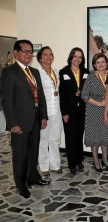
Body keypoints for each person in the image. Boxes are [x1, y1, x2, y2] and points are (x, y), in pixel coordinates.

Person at [0, 39, 50, 199]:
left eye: (30, 52)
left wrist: (43, 116)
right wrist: (12, 124)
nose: (29, 54)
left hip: (35, 118)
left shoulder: (34, 72)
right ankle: (21, 185)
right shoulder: (9, 72)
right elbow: (6, 100)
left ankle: (33, 177)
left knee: (33, 151)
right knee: (20, 154)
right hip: (20, 121)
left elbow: (40, 96)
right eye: (25, 51)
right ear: (16, 53)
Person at [59, 47, 89, 174]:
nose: (77, 59)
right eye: (75, 56)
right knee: (70, 137)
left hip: (82, 109)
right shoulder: (63, 72)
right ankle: (71, 163)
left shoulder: (86, 72)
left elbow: (89, 90)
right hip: (69, 110)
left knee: (79, 135)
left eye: (80, 57)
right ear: (71, 57)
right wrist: (64, 113)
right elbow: (62, 94)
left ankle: (79, 160)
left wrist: (83, 92)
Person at [81, 53, 108, 173]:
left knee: (105, 135)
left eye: (103, 62)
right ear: (94, 65)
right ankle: (95, 161)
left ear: (106, 64)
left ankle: (105, 160)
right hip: (93, 110)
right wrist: (98, 103)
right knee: (95, 136)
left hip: (107, 110)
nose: (100, 64)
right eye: (98, 62)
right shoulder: (91, 77)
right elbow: (84, 95)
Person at [37, 46, 62, 176]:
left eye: (50, 54)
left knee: (55, 139)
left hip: (56, 110)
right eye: (45, 54)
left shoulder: (56, 71)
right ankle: (44, 166)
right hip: (44, 111)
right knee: (43, 140)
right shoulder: (37, 73)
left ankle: (55, 164)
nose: (48, 56)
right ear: (40, 58)